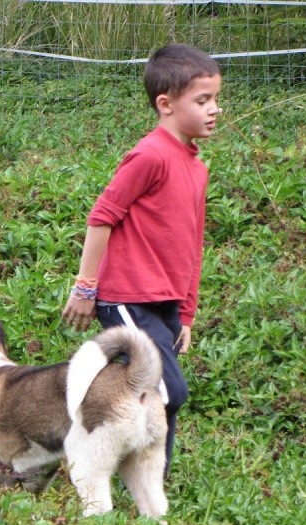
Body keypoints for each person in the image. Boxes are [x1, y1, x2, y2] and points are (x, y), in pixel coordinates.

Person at [62, 43, 222, 478]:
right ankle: (111, 464)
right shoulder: (150, 155)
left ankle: (151, 477)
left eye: (215, 99)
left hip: (165, 302)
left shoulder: (196, 167)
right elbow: (102, 217)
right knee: (171, 389)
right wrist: (85, 288)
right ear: (165, 105)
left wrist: (185, 312)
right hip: (128, 298)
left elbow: (193, 243)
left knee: (158, 393)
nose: (214, 110)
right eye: (202, 101)